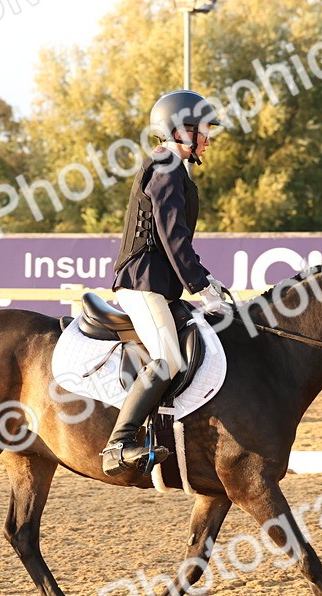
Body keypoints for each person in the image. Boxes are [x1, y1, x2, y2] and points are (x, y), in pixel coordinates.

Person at [101, 90, 229, 476]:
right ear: (183, 130)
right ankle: (118, 444)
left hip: (160, 283)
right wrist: (200, 284)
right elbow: (172, 237)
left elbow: (179, 242)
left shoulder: (174, 166)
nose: (208, 138)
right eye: (204, 130)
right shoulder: (166, 165)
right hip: (143, 282)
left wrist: (206, 279)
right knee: (169, 358)